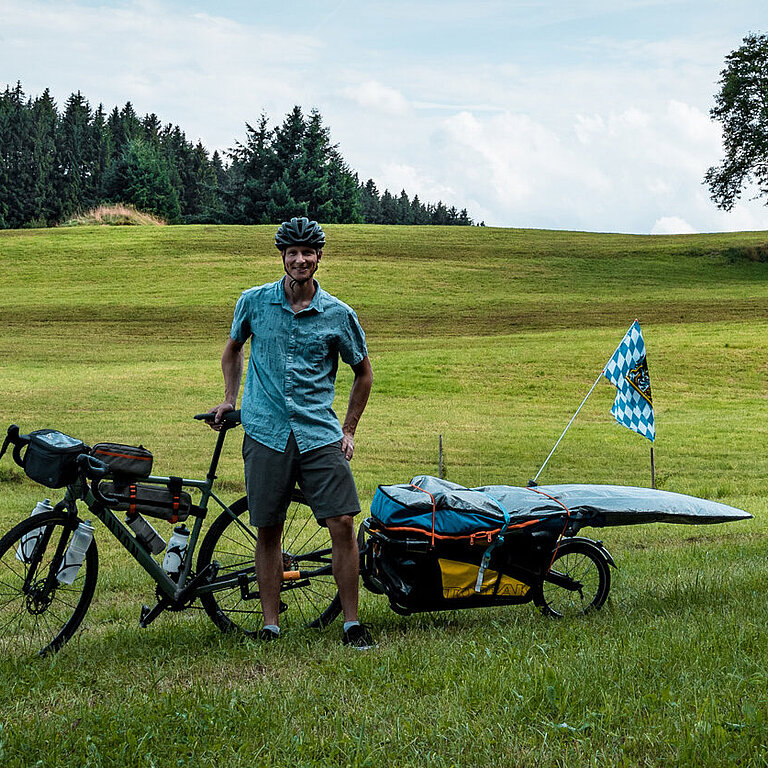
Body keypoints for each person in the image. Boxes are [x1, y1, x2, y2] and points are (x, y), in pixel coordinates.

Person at [208, 216, 374, 649]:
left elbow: (363, 374)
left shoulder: (339, 314)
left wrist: (349, 430)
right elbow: (232, 349)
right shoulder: (254, 302)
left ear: (319, 257)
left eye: (308, 253)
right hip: (265, 431)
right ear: (282, 256)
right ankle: (270, 625)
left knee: (341, 521)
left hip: (319, 432)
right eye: (292, 253)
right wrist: (229, 398)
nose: (300, 260)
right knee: (268, 526)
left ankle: (351, 624)